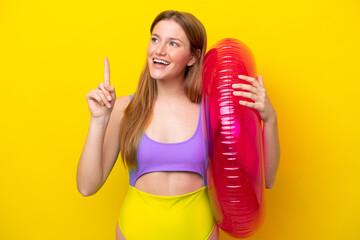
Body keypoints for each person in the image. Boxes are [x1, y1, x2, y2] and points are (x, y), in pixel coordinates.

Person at [76, 10, 280, 240]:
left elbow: (267, 180)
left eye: (173, 43)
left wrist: (270, 120)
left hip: (198, 232)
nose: (159, 50)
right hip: (135, 232)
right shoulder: (124, 109)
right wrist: (98, 120)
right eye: (155, 39)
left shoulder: (211, 111)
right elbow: (87, 186)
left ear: (193, 57)